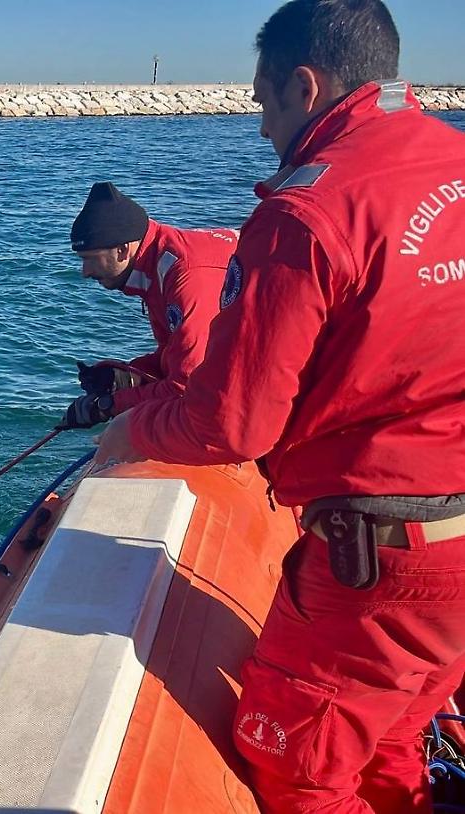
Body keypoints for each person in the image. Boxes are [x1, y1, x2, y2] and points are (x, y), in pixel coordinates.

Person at [90, 1, 465, 810]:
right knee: (395, 738)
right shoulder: (453, 159)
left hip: (384, 562)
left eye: (263, 102)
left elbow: (232, 423)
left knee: (297, 770)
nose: (262, 127)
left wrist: (130, 427)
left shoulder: (304, 214)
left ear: (304, 85)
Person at [59, 182, 237, 431]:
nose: (85, 272)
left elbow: (187, 386)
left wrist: (108, 405)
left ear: (122, 250)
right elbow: (177, 357)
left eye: (90, 259)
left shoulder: (187, 275)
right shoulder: (158, 265)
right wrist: (130, 375)